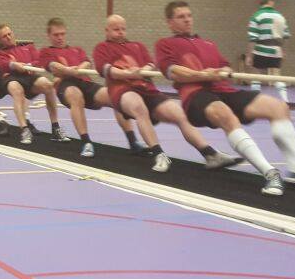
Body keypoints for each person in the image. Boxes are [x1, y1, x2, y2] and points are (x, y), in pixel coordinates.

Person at [156, 2, 295, 196]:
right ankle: (271, 174)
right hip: (196, 96)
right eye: (181, 16)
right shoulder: (165, 44)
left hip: (225, 91)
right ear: (170, 22)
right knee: (225, 115)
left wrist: (224, 70)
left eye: (189, 15)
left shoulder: (208, 44)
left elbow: (225, 66)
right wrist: (204, 75)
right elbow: (173, 72)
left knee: (278, 107)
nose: (187, 19)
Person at [93, 15, 240, 173]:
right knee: (139, 107)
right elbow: (106, 70)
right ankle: (159, 154)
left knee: (179, 114)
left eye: (123, 29)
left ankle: (210, 154)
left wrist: (143, 70)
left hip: (147, 90)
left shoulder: (137, 46)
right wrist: (129, 73)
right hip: (122, 90)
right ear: (107, 30)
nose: (121, 32)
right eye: (116, 29)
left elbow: (150, 64)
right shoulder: (102, 48)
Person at [38, 18, 136, 158]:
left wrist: (76, 70)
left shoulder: (77, 49)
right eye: (56, 35)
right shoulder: (45, 51)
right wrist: (69, 71)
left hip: (85, 83)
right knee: (75, 95)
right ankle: (86, 142)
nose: (60, 37)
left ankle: (133, 142)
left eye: (62, 34)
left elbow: (87, 63)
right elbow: (53, 66)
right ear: (49, 35)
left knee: (115, 96)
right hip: (66, 85)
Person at [0, 23, 70, 146]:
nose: (8, 37)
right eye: (4, 36)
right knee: (17, 90)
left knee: (48, 85)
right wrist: (14, 65)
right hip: (12, 78)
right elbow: (3, 64)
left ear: (13, 33)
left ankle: (55, 128)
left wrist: (28, 66)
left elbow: (38, 60)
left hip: (29, 77)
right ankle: (24, 129)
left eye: (9, 34)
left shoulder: (28, 48)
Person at [245, 0, 290, 101]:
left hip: (260, 50)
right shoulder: (280, 16)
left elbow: (252, 38)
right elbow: (286, 36)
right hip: (277, 50)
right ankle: (286, 100)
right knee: (277, 76)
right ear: (271, 3)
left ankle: (255, 100)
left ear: (261, 4)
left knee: (256, 77)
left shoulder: (257, 16)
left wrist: (249, 55)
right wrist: (283, 51)